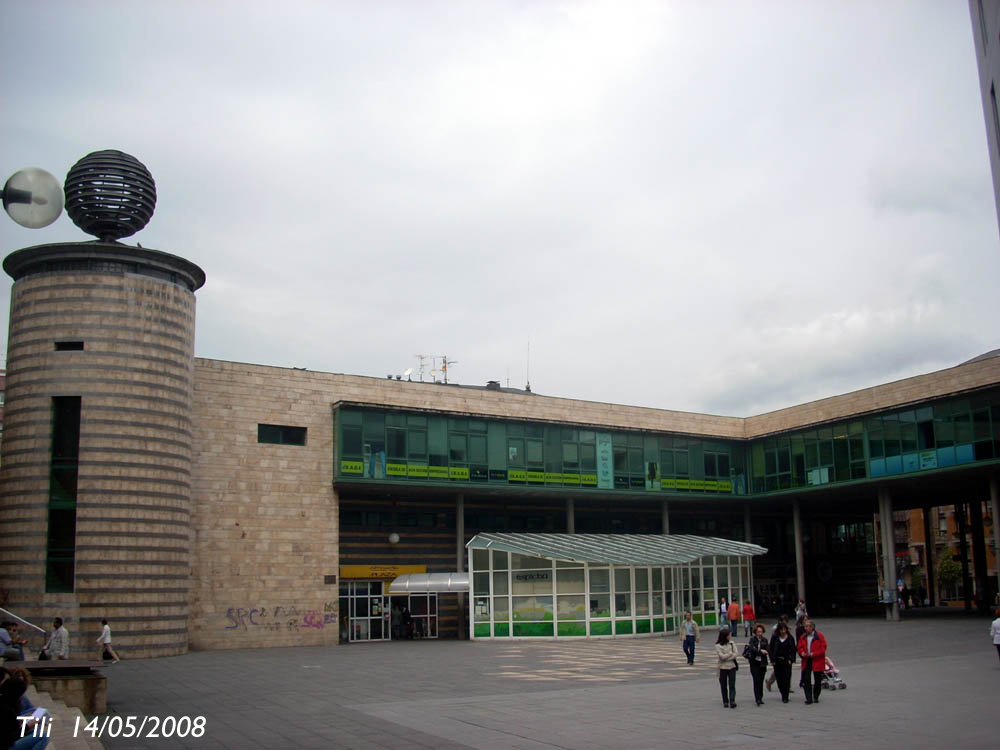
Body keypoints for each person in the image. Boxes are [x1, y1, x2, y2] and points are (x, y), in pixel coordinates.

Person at [1, 666, 49, 750]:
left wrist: (22, 720)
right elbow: (9, 738)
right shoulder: (5, 707)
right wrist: (28, 725)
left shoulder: (6, 704)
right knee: (42, 737)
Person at [796, 618, 827, 704]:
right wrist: (802, 652)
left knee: (817, 679)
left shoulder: (819, 636)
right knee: (806, 679)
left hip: (817, 660)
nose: (805, 628)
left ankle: (816, 696)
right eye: (805, 626)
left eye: (807, 626)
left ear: (812, 627)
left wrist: (814, 654)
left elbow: (823, 648)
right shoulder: (803, 636)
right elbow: (799, 647)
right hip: (807, 659)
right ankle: (808, 698)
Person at [768, 620, 796, 703]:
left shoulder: (790, 638)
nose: (783, 631)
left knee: (786, 678)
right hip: (777, 661)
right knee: (779, 678)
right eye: (781, 629)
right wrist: (772, 660)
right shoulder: (775, 638)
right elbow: (771, 649)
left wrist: (791, 659)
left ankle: (785, 696)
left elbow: (793, 650)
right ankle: (782, 692)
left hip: (786, 661)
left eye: (784, 629)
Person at [745, 622, 769, 705]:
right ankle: (757, 698)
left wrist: (765, 651)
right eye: (758, 632)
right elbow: (751, 648)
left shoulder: (764, 640)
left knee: (761, 680)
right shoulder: (752, 639)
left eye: (761, 632)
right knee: (756, 679)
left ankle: (760, 697)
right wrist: (760, 651)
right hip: (754, 662)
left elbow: (767, 649)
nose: (760, 633)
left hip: (762, 662)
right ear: (755, 632)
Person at [715, 627, 738, 708]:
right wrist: (729, 654)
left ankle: (732, 700)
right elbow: (721, 657)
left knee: (732, 684)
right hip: (722, 667)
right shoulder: (718, 645)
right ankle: (725, 701)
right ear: (725, 636)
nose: (730, 636)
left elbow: (736, 653)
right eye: (729, 635)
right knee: (723, 685)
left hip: (732, 666)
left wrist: (728, 656)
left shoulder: (732, 643)